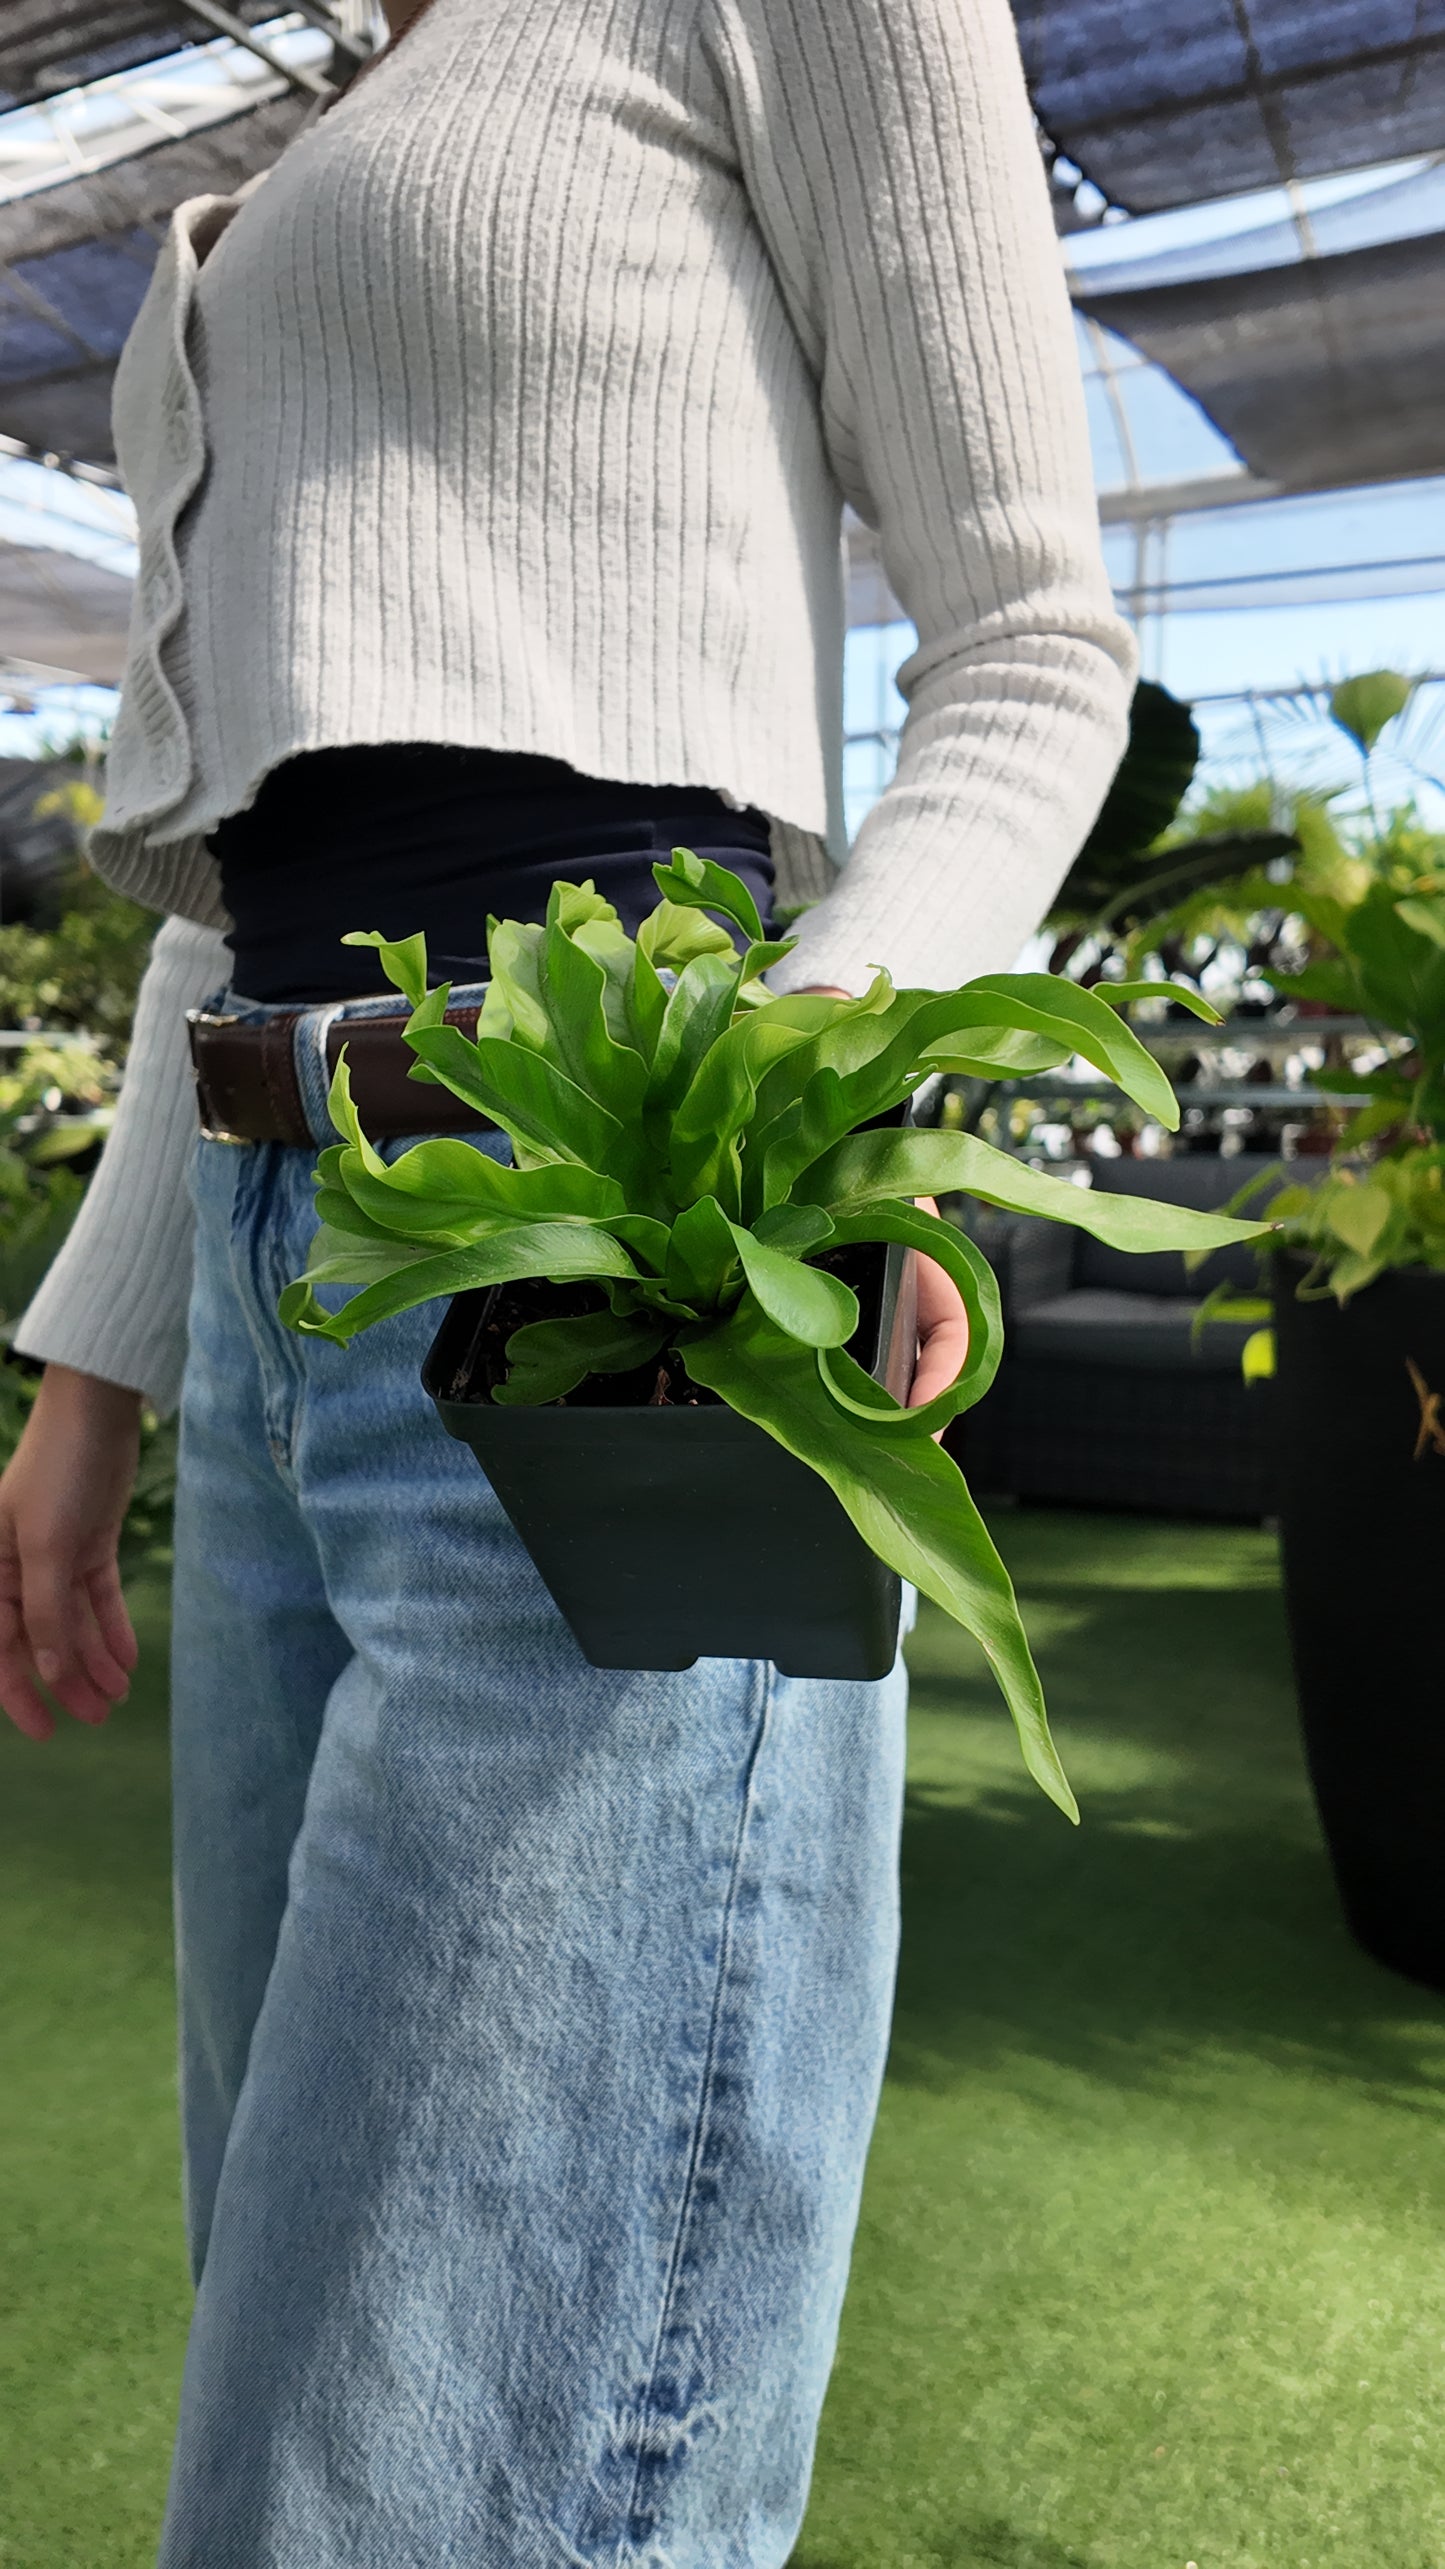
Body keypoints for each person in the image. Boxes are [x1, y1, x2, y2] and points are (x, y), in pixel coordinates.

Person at [0, 0, 1134, 2559]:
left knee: (425, 2455)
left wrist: (776, 1109)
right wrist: (95, 1369)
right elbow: (247, 878)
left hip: (594, 1242)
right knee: (306, 2340)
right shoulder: (340, 128)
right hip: (292, 1277)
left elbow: (1036, 645)